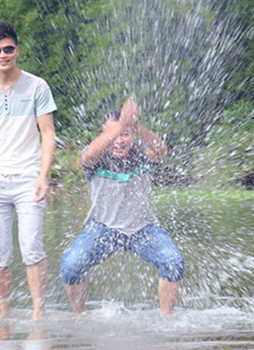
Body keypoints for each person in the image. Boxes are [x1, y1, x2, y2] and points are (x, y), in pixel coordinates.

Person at [0, 22, 57, 320]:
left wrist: (43, 175)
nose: (3, 55)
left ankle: (39, 313)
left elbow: (48, 134)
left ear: (17, 50)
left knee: (32, 249)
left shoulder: (37, 86)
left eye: (8, 49)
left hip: (29, 177)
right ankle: (5, 315)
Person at [60, 98, 184, 317]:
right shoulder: (97, 154)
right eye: (113, 134)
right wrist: (120, 126)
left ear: (133, 134)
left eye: (125, 134)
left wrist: (135, 124)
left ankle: (166, 320)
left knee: (173, 263)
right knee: (71, 267)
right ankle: (80, 317)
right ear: (104, 134)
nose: (119, 140)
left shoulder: (142, 152)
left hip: (142, 229)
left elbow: (161, 151)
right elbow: (88, 157)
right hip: (103, 228)